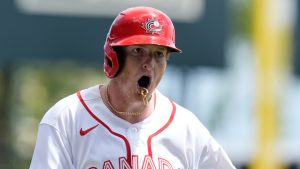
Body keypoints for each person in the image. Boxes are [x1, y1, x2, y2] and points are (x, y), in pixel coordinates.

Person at [30, 6, 236, 169]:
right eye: (138, 50)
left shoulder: (186, 127)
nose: (149, 63)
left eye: (159, 54)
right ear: (114, 57)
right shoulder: (67, 118)